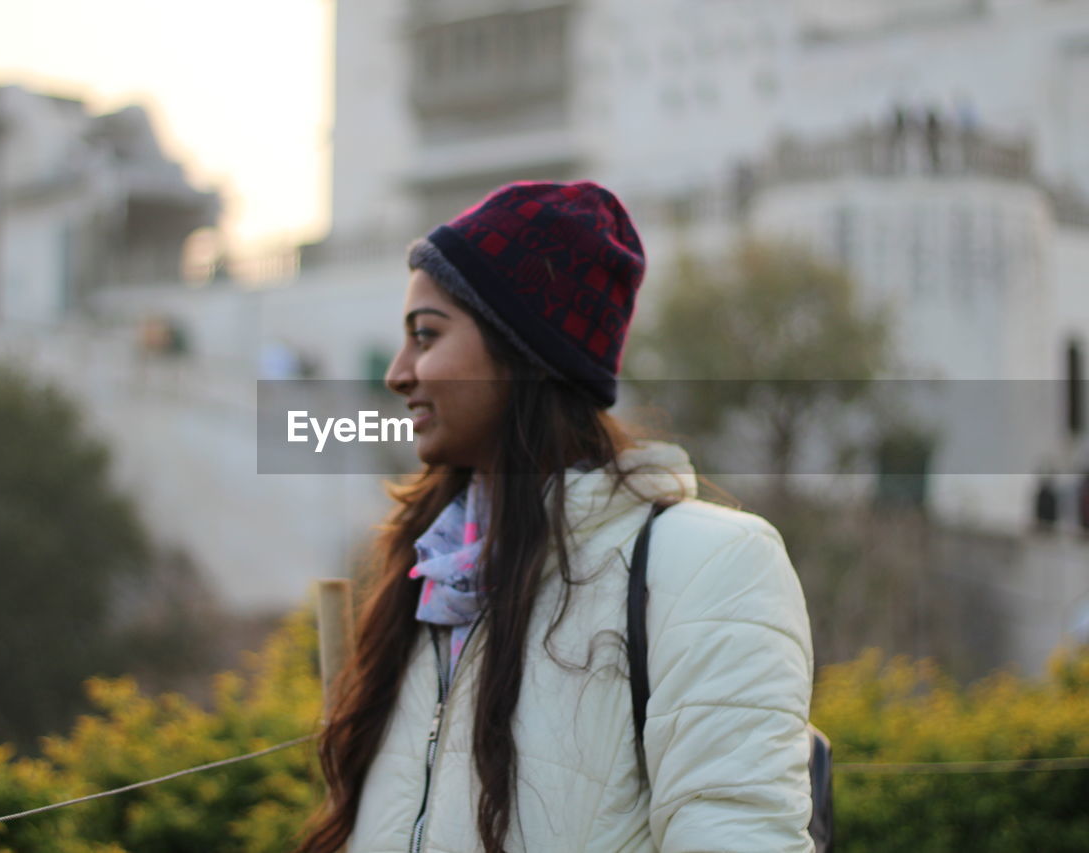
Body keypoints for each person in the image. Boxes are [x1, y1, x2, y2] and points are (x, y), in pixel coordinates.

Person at [297, 181, 816, 852]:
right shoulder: (435, 581)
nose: (399, 372)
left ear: (523, 351)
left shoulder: (709, 566)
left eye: (426, 335)